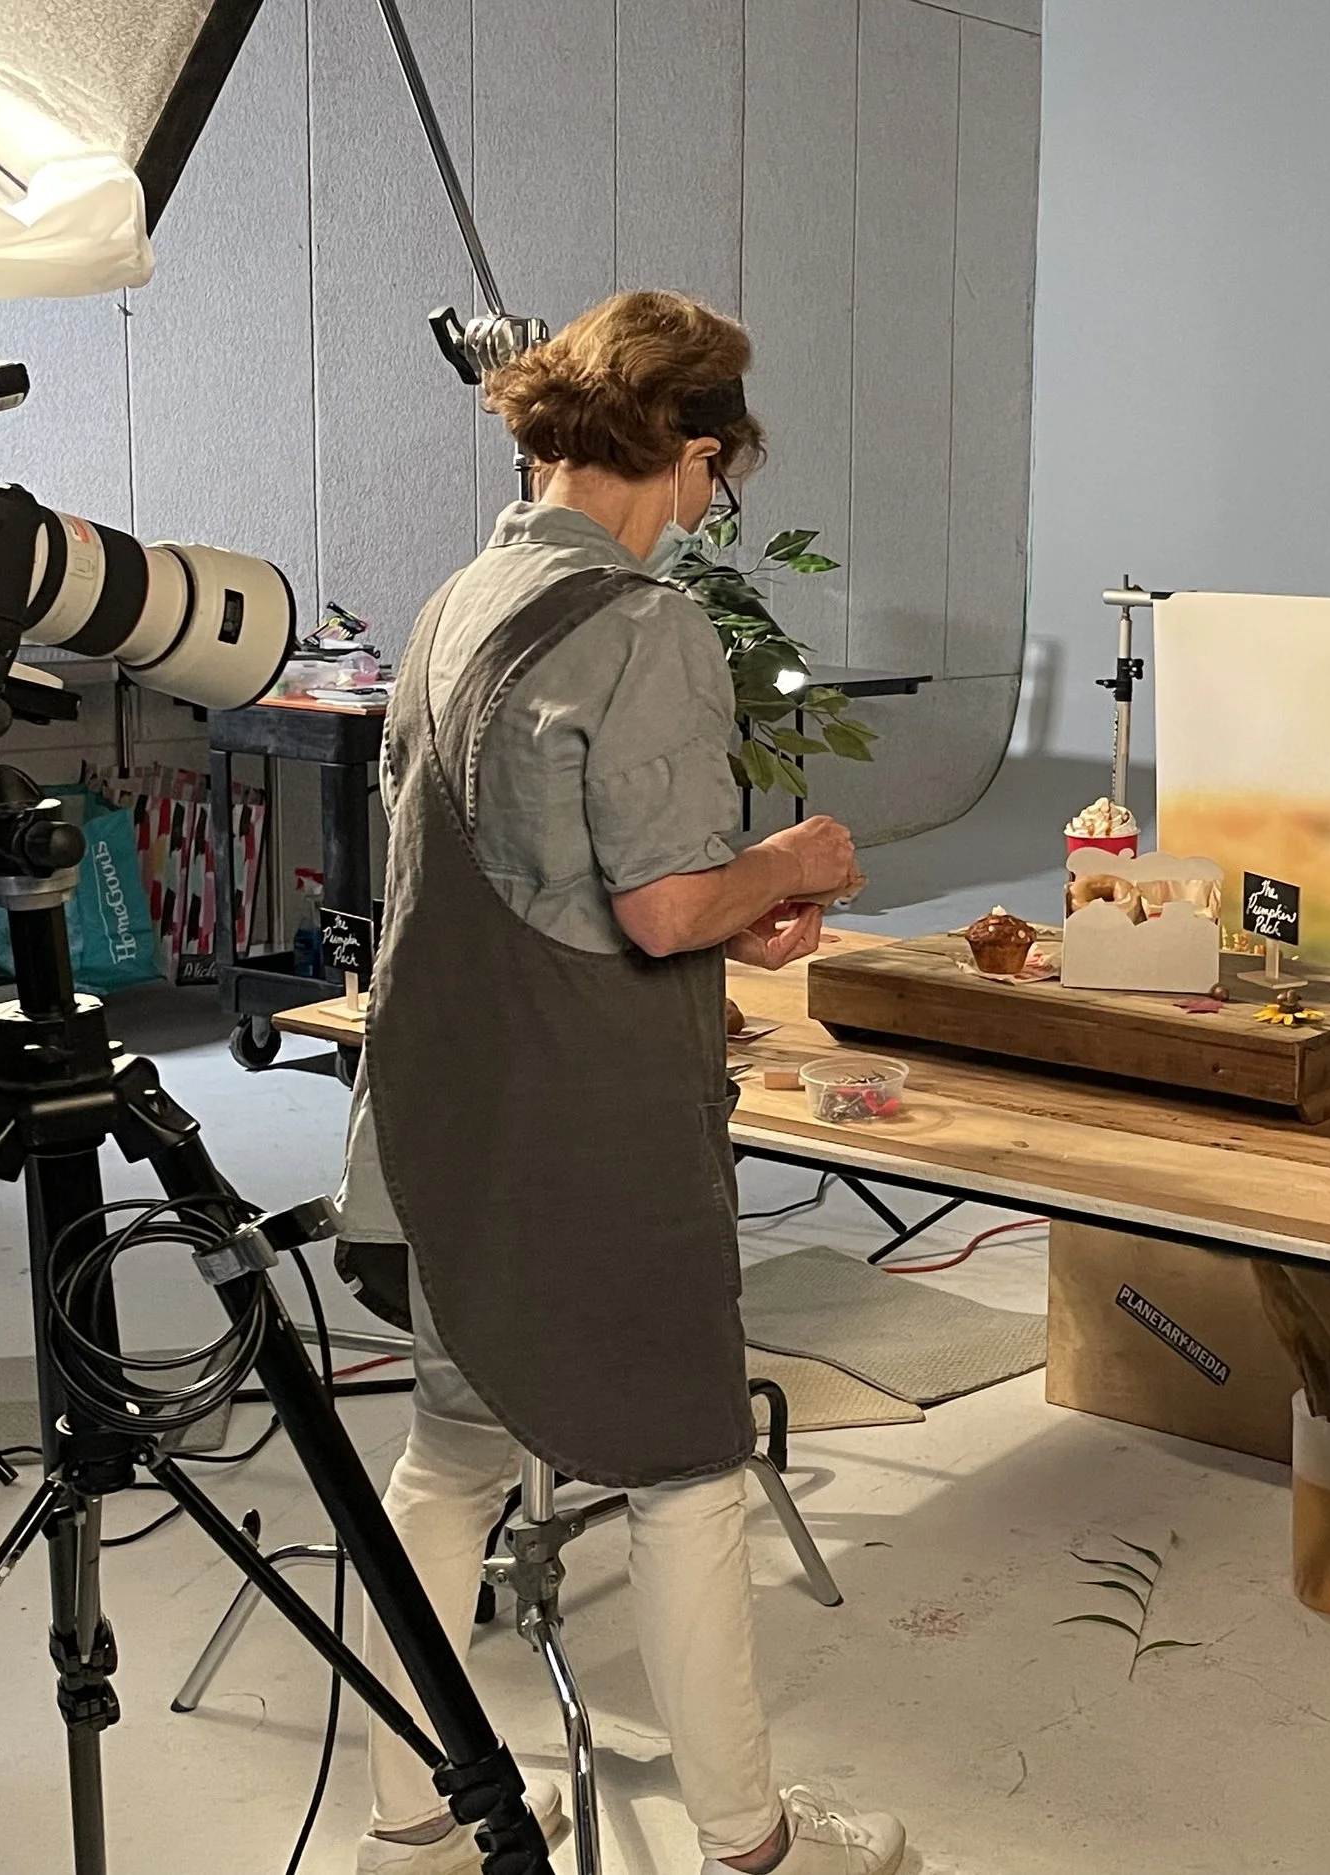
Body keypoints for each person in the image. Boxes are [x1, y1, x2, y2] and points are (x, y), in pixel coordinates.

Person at [337, 289, 904, 1875]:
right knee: (687, 1471)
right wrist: (785, 861)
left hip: (445, 1113)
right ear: (696, 455)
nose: (713, 509)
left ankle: (414, 1826)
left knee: (446, 1458)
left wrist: (737, 902)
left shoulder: (455, 604)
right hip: (590, 1134)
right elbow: (662, 909)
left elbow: (547, 885)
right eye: (720, 479)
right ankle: (750, 1845)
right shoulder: (647, 626)